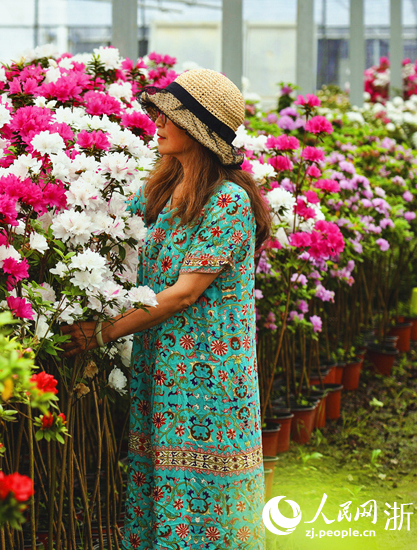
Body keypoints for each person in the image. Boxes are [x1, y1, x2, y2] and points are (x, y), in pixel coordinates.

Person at [61, 69, 272, 549]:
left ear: (197, 128)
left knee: (206, 496)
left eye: (170, 114)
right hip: (160, 367)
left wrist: (101, 333)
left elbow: (183, 293)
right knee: (160, 485)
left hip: (209, 377)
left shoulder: (229, 201)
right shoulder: (160, 190)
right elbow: (112, 229)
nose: (156, 120)